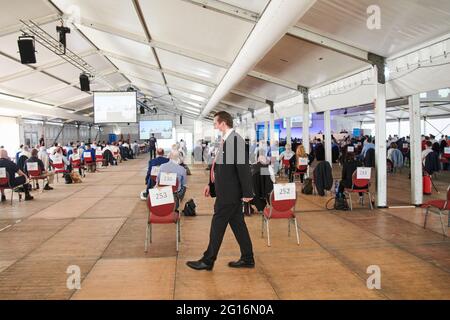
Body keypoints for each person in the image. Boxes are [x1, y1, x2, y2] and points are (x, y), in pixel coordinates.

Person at [187, 111, 254, 271]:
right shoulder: (227, 140)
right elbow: (221, 168)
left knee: (217, 224)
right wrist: (210, 184)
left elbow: (243, 168)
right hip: (227, 191)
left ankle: (208, 260)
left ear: (223, 123)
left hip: (229, 194)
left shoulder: (235, 140)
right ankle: (247, 258)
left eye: (215, 123)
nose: (214, 126)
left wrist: (247, 193)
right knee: (238, 225)